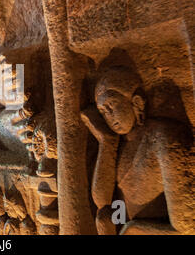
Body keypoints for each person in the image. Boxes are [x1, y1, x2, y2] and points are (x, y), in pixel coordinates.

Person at [81, 66, 194, 235]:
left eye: (112, 105)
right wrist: (107, 143)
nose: (109, 116)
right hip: (127, 226)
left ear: (137, 103)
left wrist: (131, 229)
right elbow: (103, 204)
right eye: (103, 112)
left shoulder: (164, 138)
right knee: (104, 218)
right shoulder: (121, 144)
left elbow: (186, 226)